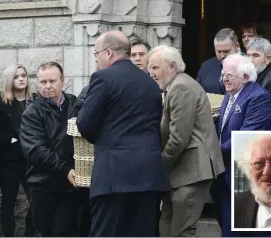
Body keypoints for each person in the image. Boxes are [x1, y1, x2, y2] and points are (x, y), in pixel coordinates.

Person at [76, 30, 171, 237]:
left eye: (97, 53)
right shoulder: (151, 84)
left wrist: (100, 139)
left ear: (108, 53)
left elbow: (84, 123)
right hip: (149, 175)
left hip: (114, 176)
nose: (97, 59)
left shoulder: (102, 78)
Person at [148, 45, 225, 236]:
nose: (151, 74)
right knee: (167, 226)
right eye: (150, 68)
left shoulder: (180, 87)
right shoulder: (174, 86)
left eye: (156, 68)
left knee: (182, 231)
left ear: (172, 66)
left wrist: (160, 164)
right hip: (182, 172)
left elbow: (178, 138)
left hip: (192, 171)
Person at [213, 53, 271, 237]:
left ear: (245, 77)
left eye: (229, 75)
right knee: (229, 229)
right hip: (226, 175)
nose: (224, 79)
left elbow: (246, 136)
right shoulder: (230, 93)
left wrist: (213, 152)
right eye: (223, 74)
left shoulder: (258, 97)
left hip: (247, 178)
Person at [20, 61, 82, 236]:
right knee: (45, 232)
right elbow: (35, 150)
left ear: (63, 81)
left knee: (66, 231)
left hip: (71, 183)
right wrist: (65, 169)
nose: (47, 86)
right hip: (42, 183)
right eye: (42, 82)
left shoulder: (76, 105)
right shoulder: (32, 112)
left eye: (52, 81)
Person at [0, 64, 34, 237]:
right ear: (9, 80)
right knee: (9, 202)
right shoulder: (0, 102)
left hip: (31, 161)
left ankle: (30, 234)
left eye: (23, 75)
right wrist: (13, 140)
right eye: (16, 76)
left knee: (35, 202)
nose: (22, 79)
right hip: (9, 162)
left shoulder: (34, 101)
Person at [197, 28, 240, 94]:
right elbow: (197, 93)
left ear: (237, 46)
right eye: (219, 51)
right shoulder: (206, 66)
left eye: (226, 51)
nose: (222, 56)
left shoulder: (249, 66)